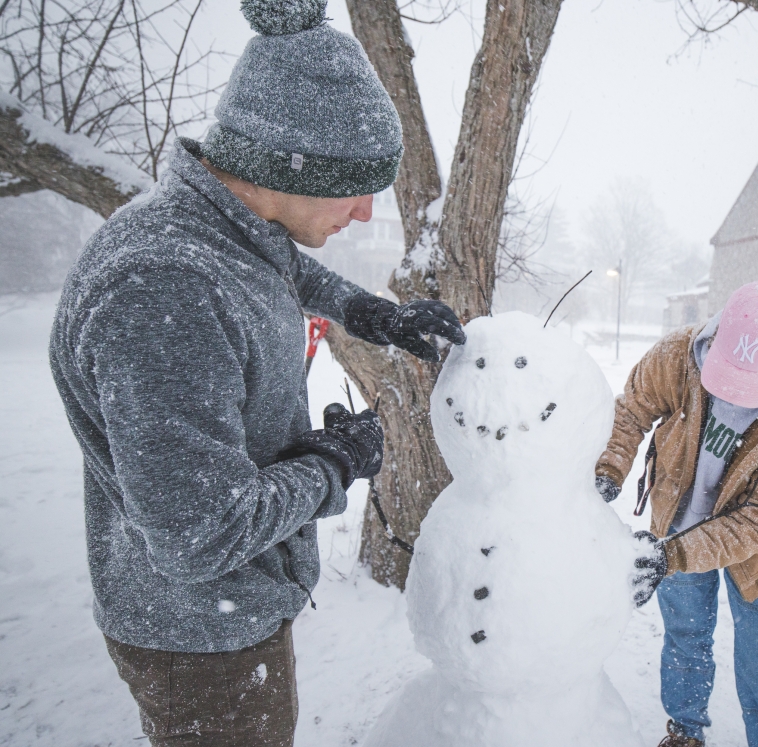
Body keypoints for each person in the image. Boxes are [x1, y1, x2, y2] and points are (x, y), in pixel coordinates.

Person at [48, 2, 464, 745]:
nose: (367, 214)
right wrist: (333, 463)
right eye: (354, 187)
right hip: (203, 639)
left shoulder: (221, 227)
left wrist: (372, 314)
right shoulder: (163, 287)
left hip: (231, 608)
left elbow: (276, 271)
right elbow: (199, 535)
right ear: (288, 166)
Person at [599, 280, 758, 747]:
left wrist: (677, 556)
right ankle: (686, 732)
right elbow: (631, 410)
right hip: (675, 525)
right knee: (686, 641)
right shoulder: (678, 355)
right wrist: (608, 469)